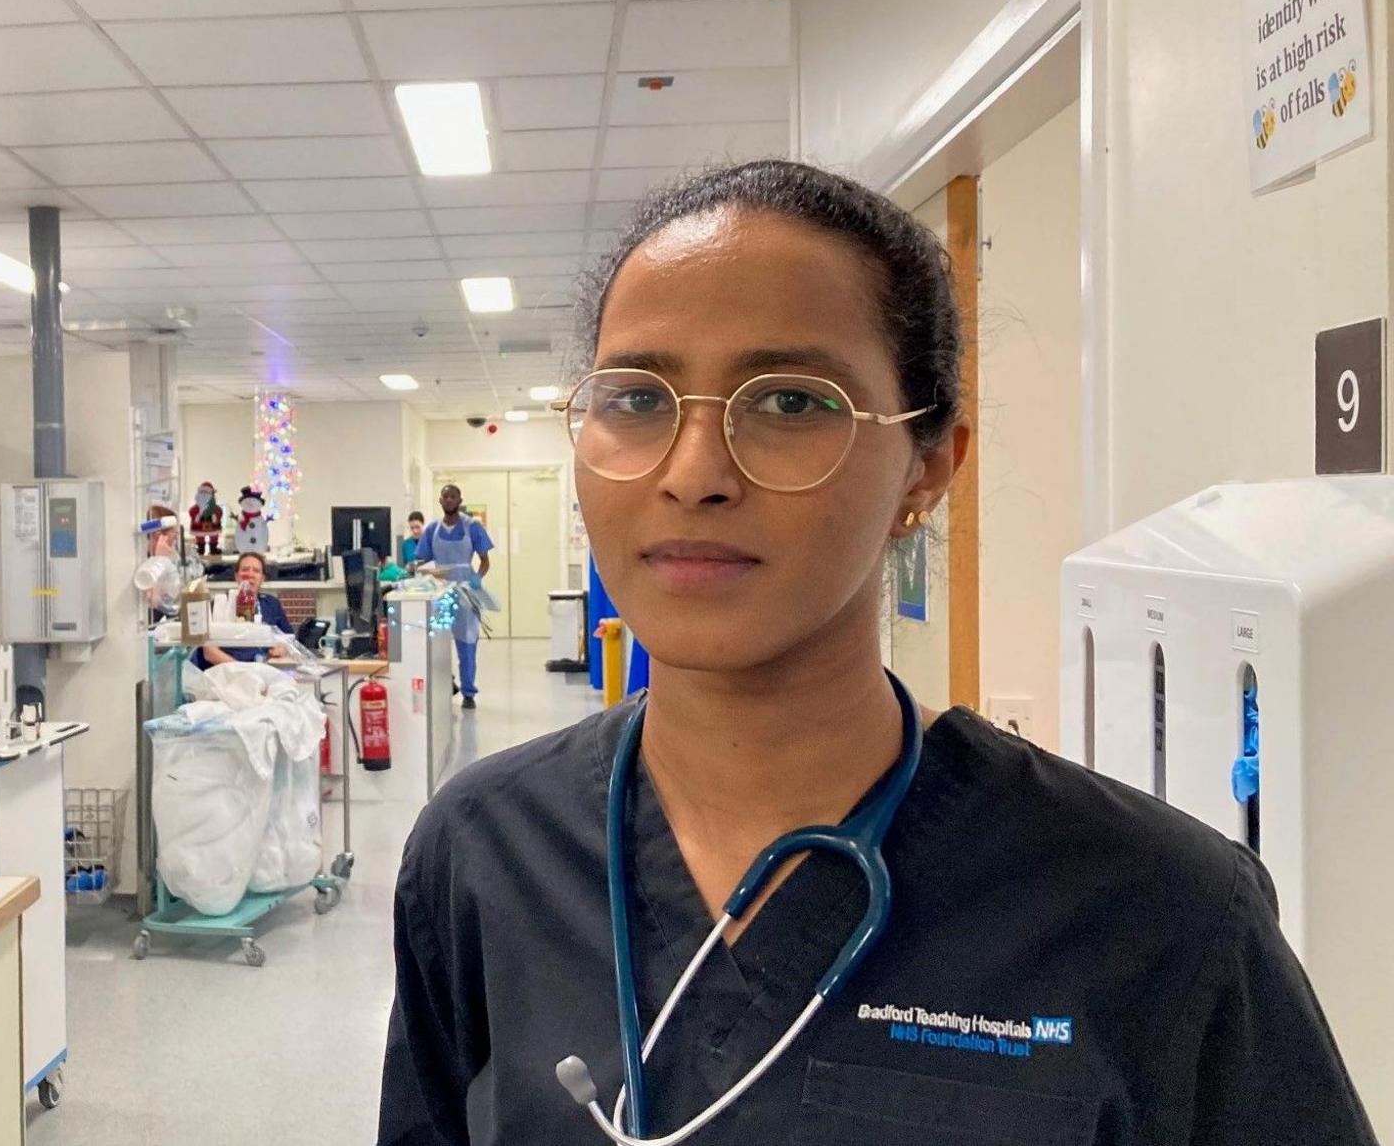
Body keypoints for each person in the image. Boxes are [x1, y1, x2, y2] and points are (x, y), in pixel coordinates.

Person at [377, 161, 1373, 1145]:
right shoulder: (482, 849)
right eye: (634, 399)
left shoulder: (1156, 912)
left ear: (928, 465)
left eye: (790, 402)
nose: (692, 473)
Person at [422, 485, 492, 709]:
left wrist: (477, 579)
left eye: (453, 496)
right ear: (440, 500)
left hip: (465, 592)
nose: (449, 500)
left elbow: (485, 560)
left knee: (467, 643)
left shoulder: (473, 527)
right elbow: (421, 561)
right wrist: (425, 573)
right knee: (436, 643)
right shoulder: (432, 529)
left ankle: (468, 691)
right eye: (445, 496)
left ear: (460, 499)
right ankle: (442, 685)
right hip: (439, 592)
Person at [193, 552, 292, 670]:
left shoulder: (271, 604)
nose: (250, 574)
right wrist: (242, 670)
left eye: (256, 571)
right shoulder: (220, 605)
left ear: (262, 578)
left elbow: (289, 638)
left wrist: (281, 648)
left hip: (262, 669)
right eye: (245, 569)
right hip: (226, 671)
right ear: (237, 576)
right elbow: (209, 653)